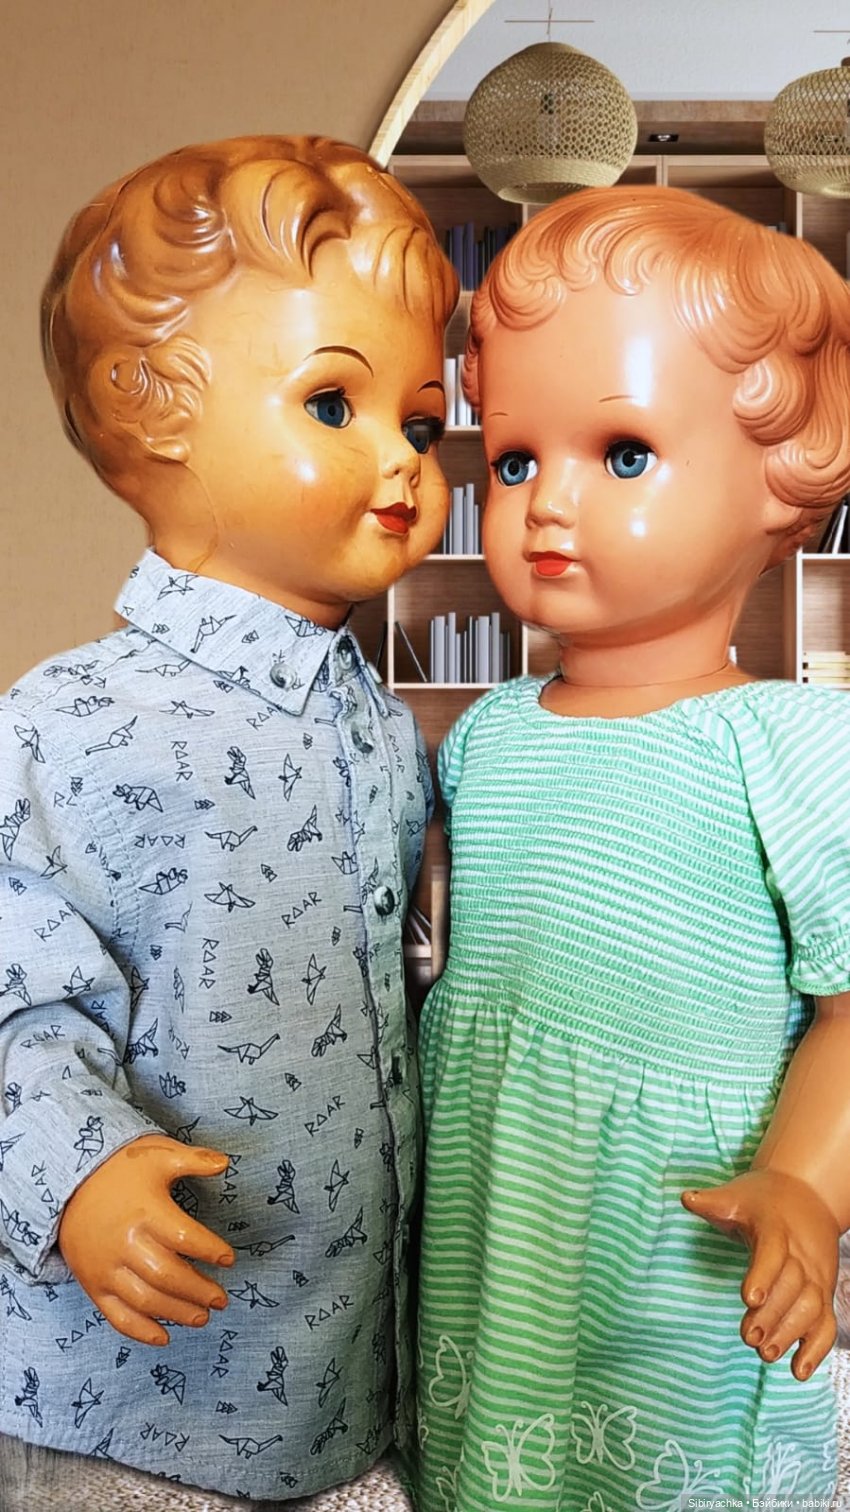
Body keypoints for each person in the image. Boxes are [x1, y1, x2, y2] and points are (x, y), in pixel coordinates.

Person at [0, 133, 457, 1505]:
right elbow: (13, 1006)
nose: (402, 462)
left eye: (420, 424)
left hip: (344, 1368)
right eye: (333, 404)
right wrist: (77, 1175)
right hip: (134, 1402)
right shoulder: (64, 726)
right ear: (153, 410)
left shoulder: (382, 726)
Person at [415, 184, 850, 1508]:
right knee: (494, 1457)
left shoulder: (790, 744)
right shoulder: (487, 736)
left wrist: (804, 1184)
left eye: (620, 453)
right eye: (511, 461)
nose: (546, 505)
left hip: (680, 1235)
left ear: (777, 475)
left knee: (667, 1467)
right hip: (498, 1212)